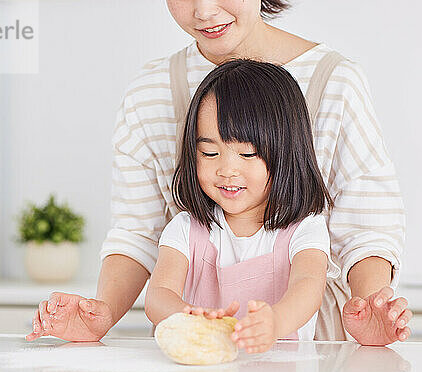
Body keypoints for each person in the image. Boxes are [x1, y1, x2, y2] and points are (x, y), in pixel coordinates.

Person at [26, 0, 412, 345]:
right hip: (198, 345)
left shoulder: (335, 81)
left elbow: (368, 230)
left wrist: (370, 309)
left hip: (314, 343)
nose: (205, 10)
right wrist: (103, 314)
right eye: (208, 151)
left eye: (249, 152)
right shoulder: (151, 92)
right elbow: (137, 234)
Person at [145, 59, 342, 353]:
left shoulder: (305, 229)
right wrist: (188, 315)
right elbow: (158, 295)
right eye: (210, 152)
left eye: (247, 154)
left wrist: (274, 322)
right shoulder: (186, 229)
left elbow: (308, 288)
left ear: (287, 153)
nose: (227, 169)